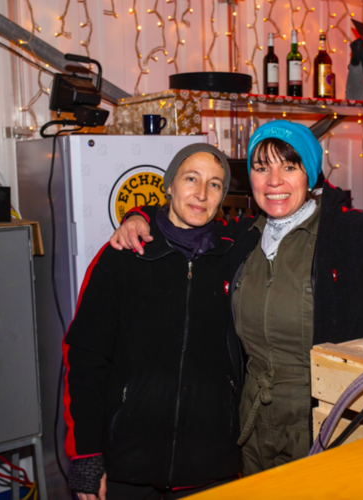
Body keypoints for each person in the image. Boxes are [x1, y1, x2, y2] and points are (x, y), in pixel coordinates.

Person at [111, 121, 363, 475]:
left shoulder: (356, 238)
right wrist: (139, 215)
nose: (274, 181)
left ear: (311, 173)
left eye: (289, 166)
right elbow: (184, 226)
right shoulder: (241, 239)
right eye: (261, 167)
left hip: (326, 428)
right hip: (250, 430)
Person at [63, 143, 244, 500]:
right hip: (128, 466)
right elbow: (85, 359)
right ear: (169, 186)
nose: (201, 193)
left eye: (215, 184)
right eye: (191, 178)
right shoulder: (124, 256)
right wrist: (85, 454)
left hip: (211, 464)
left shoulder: (236, 254)